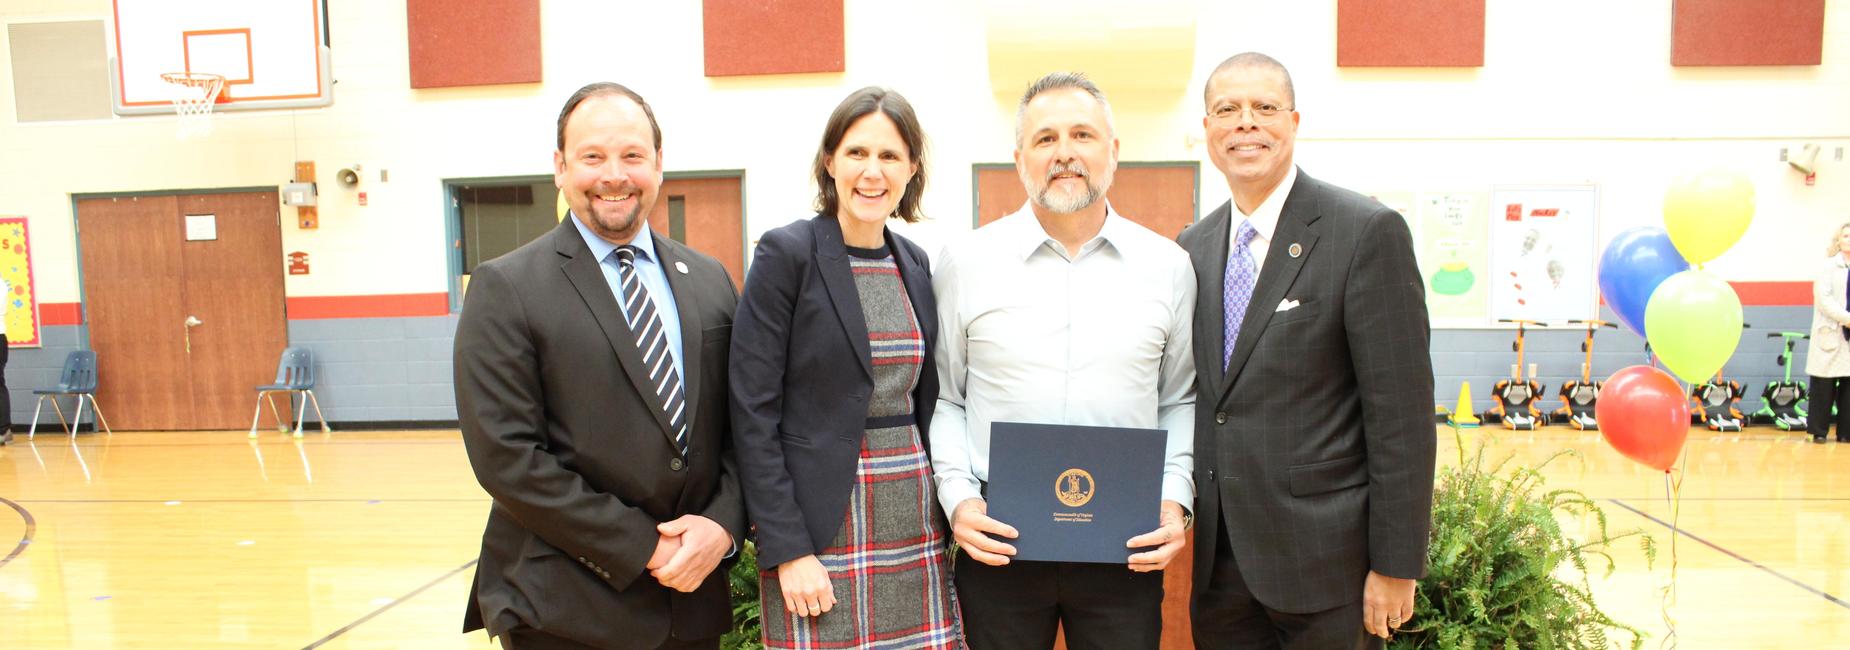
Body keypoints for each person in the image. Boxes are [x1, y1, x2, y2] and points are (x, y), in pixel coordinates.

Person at [454, 82, 745, 650]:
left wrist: (722, 525)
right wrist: (645, 546)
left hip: (691, 604)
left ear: (659, 164)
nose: (614, 175)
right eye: (593, 157)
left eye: (632, 155)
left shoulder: (710, 279)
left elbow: (741, 427)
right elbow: (507, 458)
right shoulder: (507, 286)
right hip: (565, 610)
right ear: (560, 167)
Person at [1177, 52, 1436, 649]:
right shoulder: (1192, 247)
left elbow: (1401, 416)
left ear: (1293, 122)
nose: (1246, 123)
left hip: (1330, 568)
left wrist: (1396, 565)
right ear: (1208, 130)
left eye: (1264, 108)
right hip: (1222, 570)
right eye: (1227, 110)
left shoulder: (1364, 231)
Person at [930, 72, 1196, 650]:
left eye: (1082, 134)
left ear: (1114, 151)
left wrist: (1174, 501)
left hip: (1123, 549)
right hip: (999, 544)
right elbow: (946, 397)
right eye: (1045, 139)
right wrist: (959, 500)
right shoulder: (966, 262)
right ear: (1019, 158)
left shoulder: (1169, 267)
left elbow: (1179, 399)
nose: (1065, 153)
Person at [729, 86, 959, 649]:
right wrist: (787, 548)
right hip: (823, 525)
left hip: (913, 515)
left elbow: (928, 398)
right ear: (830, 161)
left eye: (889, 156)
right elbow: (751, 410)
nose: (871, 172)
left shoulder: (914, 260)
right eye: (857, 153)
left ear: (911, 169)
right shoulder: (788, 254)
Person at [1807, 221, 1850, 444]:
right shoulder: (1827, 267)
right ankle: (1819, 431)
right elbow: (1824, 301)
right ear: (1839, 240)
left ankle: (1846, 433)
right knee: (1824, 385)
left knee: (1849, 387)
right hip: (1831, 331)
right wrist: (1847, 319)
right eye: (1845, 236)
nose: (1848, 240)